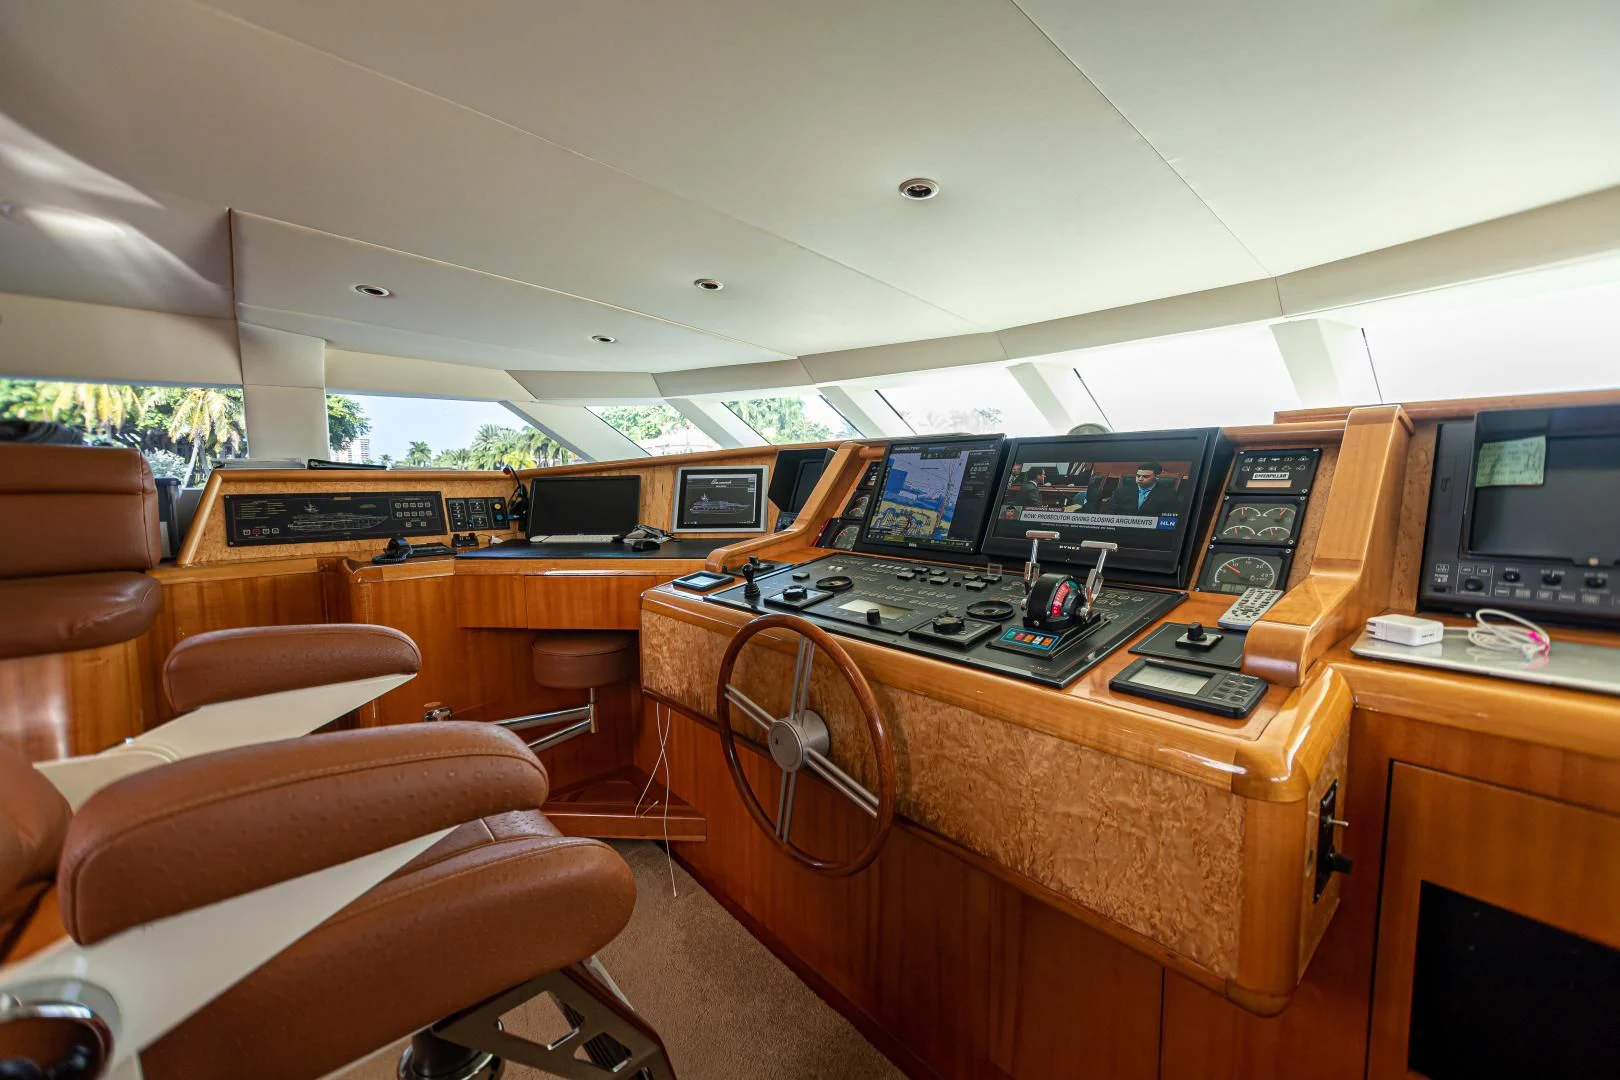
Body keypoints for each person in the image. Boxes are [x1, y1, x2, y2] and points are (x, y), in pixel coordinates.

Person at [1106, 462, 1181, 516]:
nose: (1140, 479)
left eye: (1145, 476)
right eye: (1138, 476)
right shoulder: (1122, 491)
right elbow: (1109, 511)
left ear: (1156, 477)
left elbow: (1169, 517)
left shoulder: (1169, 494)